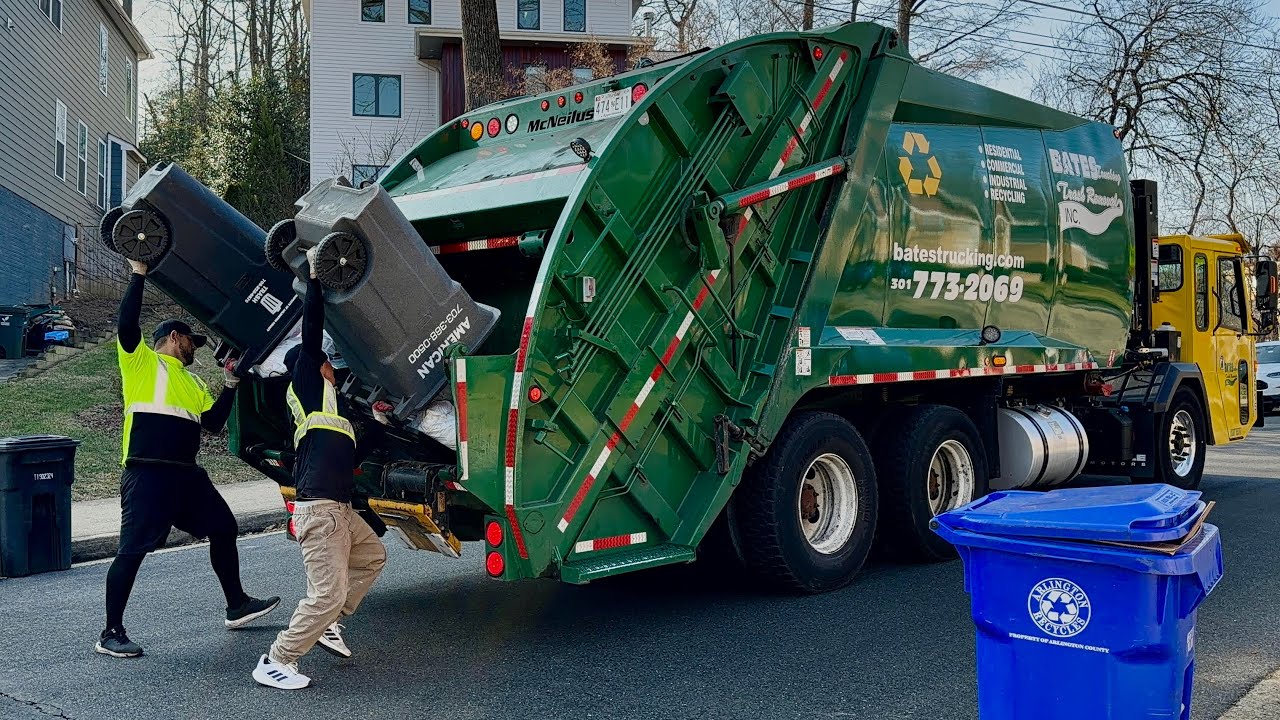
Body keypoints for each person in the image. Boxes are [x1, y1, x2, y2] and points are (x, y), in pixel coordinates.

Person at [96, 259, 280, 658]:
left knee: (224, 527)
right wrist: (138, 273)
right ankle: (110, 632)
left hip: (187, 475)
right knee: (131, 551)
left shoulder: (193, 381)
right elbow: (127, 326)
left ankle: (236, 604)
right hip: (148, 474)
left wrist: (231, 385)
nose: (194, 348)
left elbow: (212, 423)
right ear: (174, 337)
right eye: (191, 342)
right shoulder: (141, 361)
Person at [252, 249, 386, 690]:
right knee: (325, 592)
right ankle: (277, 660)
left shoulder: (334, 413)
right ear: (313, 369)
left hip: (340, 511)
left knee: (372, 557)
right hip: (321, 512)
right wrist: (314, 280)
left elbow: (355, 454)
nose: (334, 365)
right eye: (329, 362)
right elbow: (310, 339)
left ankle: (329, 623)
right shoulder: (308, 386)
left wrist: (379, 425)